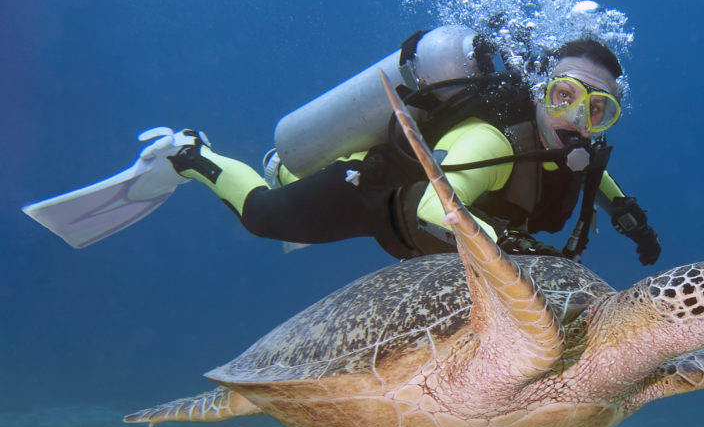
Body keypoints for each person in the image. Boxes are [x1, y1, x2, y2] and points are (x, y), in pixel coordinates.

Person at [166, 36, 662, 265]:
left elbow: (584, 171)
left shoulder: (575, 150)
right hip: (373, 196)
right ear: (539, 90)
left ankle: (287, 175)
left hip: (436, 242)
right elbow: (433, 207)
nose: (576, 122)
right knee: (263, 217)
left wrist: (624, 213)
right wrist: (515, 247)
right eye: (564, 97)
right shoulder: (489, 141)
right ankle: (193, 156)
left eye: (598, 112)